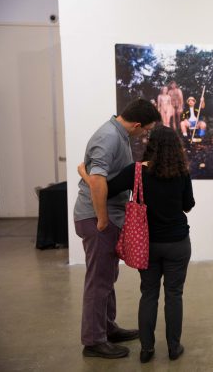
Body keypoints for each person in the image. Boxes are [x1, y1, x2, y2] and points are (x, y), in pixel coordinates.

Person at [79, 125, 195, 363]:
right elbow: (188, 205)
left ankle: (147, 350)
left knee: (149, 294)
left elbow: (106, 190)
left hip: (147, 244)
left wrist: (85, 173)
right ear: (175, 148)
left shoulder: (136, 172)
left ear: (150, 146)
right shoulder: (182, 172)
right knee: (174, 294)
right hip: (178, 243)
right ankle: (174, 348)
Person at [74, 99, 161, 359]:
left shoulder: (118, 134)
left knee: (107, 277)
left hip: (108, 215)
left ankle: (107, 328)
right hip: (98, 217)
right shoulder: (110, 137)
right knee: (98, 282)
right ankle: (93, 341)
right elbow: (98, 180)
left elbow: (93, 171)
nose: (144, 134)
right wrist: (102, 220)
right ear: (136, 124)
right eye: (145, 130)